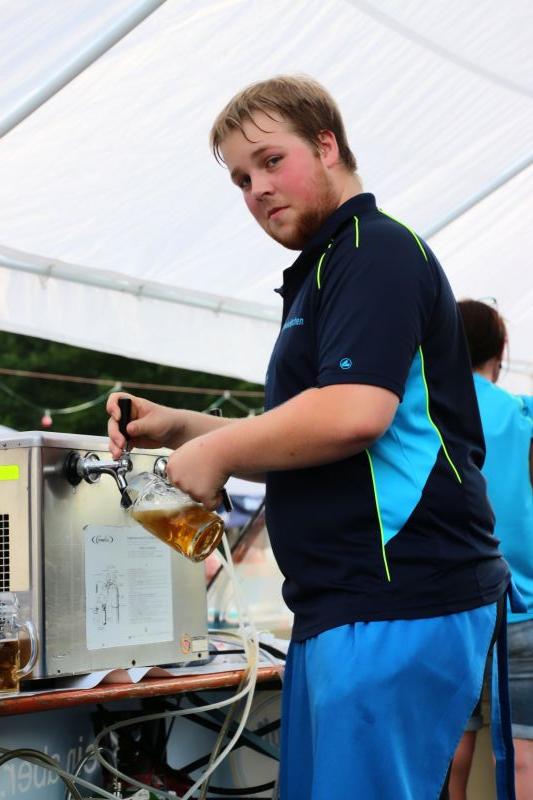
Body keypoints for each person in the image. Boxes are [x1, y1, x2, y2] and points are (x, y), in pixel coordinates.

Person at [107, 76, 513, 799]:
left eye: (270, 161)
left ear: (327, 145)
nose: (256, 189)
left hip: (399, 595)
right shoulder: (324, 268)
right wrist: (182, 427)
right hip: (345, 605)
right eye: (240, 179)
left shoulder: (374, 250)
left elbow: (354, 413)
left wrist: (217, 452)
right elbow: (308, 440)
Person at [450, 299, 533, 800]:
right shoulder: (523, 415)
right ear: (499, 351)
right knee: (524, 753)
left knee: (450, 747)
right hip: (525, 606)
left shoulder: (429, 412)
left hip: (453, 605)